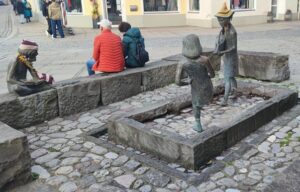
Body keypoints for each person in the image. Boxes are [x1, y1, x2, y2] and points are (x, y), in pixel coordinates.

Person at [175, 34, 215, 132]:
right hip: (207, 85)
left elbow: (177, 82)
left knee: (195, 104)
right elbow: (213, 74)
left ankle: (198, 123)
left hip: (195, 86)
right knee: (203, 101)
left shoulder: (182, 63)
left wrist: (188, 82)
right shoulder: (205, 60)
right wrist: (207, 77)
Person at [214, 2, 238, 106]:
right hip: (226, 57)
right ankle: (235, 92)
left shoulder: (232, 32)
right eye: (219, 19)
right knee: (231, 76)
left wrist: (221, 52)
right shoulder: (223, 29)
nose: (220, 21)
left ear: (228, 19)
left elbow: (233, 48)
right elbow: (220, 41)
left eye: (222, 19)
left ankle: (225, 100)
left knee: (228, 78)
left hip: (231, 57)